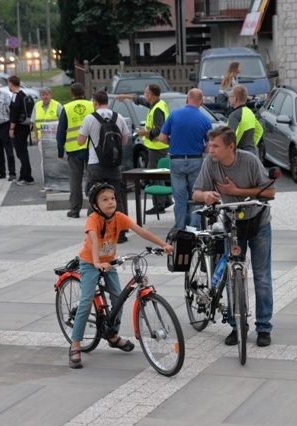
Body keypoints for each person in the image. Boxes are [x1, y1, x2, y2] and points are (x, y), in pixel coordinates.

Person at [68, 182, 174, 369]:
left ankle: (112, 336)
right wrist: (97, 262)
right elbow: (93, 240)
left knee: (118, 298)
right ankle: (75, 343)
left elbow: (141, 231)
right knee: (86, 301)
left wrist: (162, 244)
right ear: (95, 205)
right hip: (90, 262)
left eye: (112, 198)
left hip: (109, 262)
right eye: (105, 200)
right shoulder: (93, 219)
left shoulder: (119, 217)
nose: (111, 202)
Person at [192, 125, 275, 347]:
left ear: (231, 147)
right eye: (210, 146)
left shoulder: (249, 161)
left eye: (216, 146)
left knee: (262, 277)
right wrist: (206, 195)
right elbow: (196, 192)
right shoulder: (210, 163)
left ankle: (264, 327)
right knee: (232, 274)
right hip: (232, 222)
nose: (211, 150)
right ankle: (237, 326)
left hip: (258, 222)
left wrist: (237, 192)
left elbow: (270, 191)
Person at [77, 91, 130, 243]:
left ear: (94, 102)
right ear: (107, 101)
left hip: (96, 165)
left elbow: (81, 142)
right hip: (114, 165)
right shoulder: (118, 117)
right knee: (116, 198)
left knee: (95, 198)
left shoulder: (89, 118)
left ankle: (96, 232)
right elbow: (125, 140)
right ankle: (120, 234)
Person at [158, 88, 212, 230]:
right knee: (196, 196)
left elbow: (162, 138)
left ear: (187, 100)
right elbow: (209, 146)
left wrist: (174, 143)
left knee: (180, 197)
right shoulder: (205, 120)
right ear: (201, 102)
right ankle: (194, 228)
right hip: (196, 160)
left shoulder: (174, 115)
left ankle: (180, 228)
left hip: (176, 160)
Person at [117, 84, 173, 215]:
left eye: (146, 93)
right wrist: (126, 97)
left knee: (155, 175)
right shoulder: (157, 103)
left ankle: (159, 205)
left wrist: (145, 133)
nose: (144, 95)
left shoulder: (157, 109)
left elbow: (160, 129)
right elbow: (140, 100)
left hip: (157, 147)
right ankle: (166, 201)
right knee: (157, 174)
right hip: (158, 147)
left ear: (151, 95)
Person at [57, 83, 93, 218]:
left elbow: (61, 131)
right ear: (84, 92)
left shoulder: (67, 108)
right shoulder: (91, 105)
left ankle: (75, 209)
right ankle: (93, 208)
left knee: (75, 180)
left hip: (74, 150)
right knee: (92, 178)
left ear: (72, 94)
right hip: (91, 148)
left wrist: (60, 150)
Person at [8, 75, 34, 186]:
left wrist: (11, 128)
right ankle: (24, 175)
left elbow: (14, 113)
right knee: (24, 151)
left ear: (11, 83)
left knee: (21, 153)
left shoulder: (15, 96)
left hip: (18, 127)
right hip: (25, 126)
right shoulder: (23, 95)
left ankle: (27, 177)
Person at [226, 84, 263, 155]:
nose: (229, 99)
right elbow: (259, 130)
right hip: (252, 153)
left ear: (235, 98)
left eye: (230, 96)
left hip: (239, 155)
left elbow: (229, 136)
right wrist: (252, 144)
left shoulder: (235, 115)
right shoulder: (250, 112)